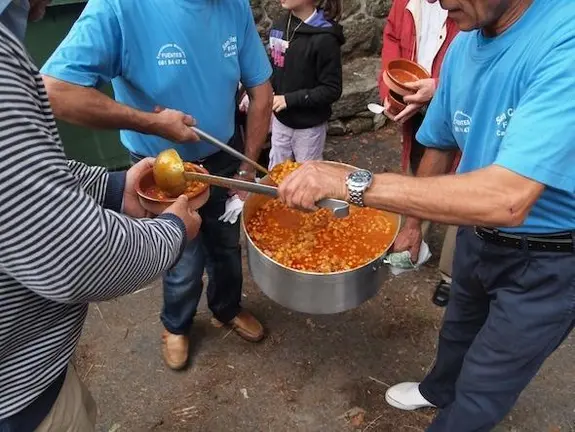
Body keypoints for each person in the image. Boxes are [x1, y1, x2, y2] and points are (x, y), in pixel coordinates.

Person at [276, 0, 575, 430]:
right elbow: (441, 139)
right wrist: (413, 225)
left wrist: (354, 184)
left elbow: (509, 199)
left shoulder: (563, 39)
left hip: (548, 259)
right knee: (457, 327)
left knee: (486, 383)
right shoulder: (465, 44)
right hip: (475, 233)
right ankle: (438, 389)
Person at [0, 1, 202, 430]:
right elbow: (76, 258)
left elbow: (29, 172)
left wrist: (111, 188)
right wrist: (172, 231)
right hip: (20, 404)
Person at [41, 0, 274, 370]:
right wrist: (152, 124)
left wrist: (247, 169)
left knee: (227, 244)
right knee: (182, 254)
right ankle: (176, 325)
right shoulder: (119, 6)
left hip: (224, 158)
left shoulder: (234, 5)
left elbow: (261, 90)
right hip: (159, 167)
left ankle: (226, 307)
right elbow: (55, 90)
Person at [380, 0, 460, 306]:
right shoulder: (405, 4)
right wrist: (392, 91)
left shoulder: (473, 10)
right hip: (418, 108)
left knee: (461, 183)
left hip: (459, 109)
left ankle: (452, 274)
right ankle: (415, 235)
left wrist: (439, 88)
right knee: (419, 167)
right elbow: (393, 39)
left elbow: (479, 65)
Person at [267, 0, 344, 169]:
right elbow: (274, 68)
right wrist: (264, 91)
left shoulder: (325, 38)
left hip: (309, 128)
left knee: (307, 176)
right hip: (280, 122)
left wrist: (288, 100)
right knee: (276, 174)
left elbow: (332, 89)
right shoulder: (278, 28)